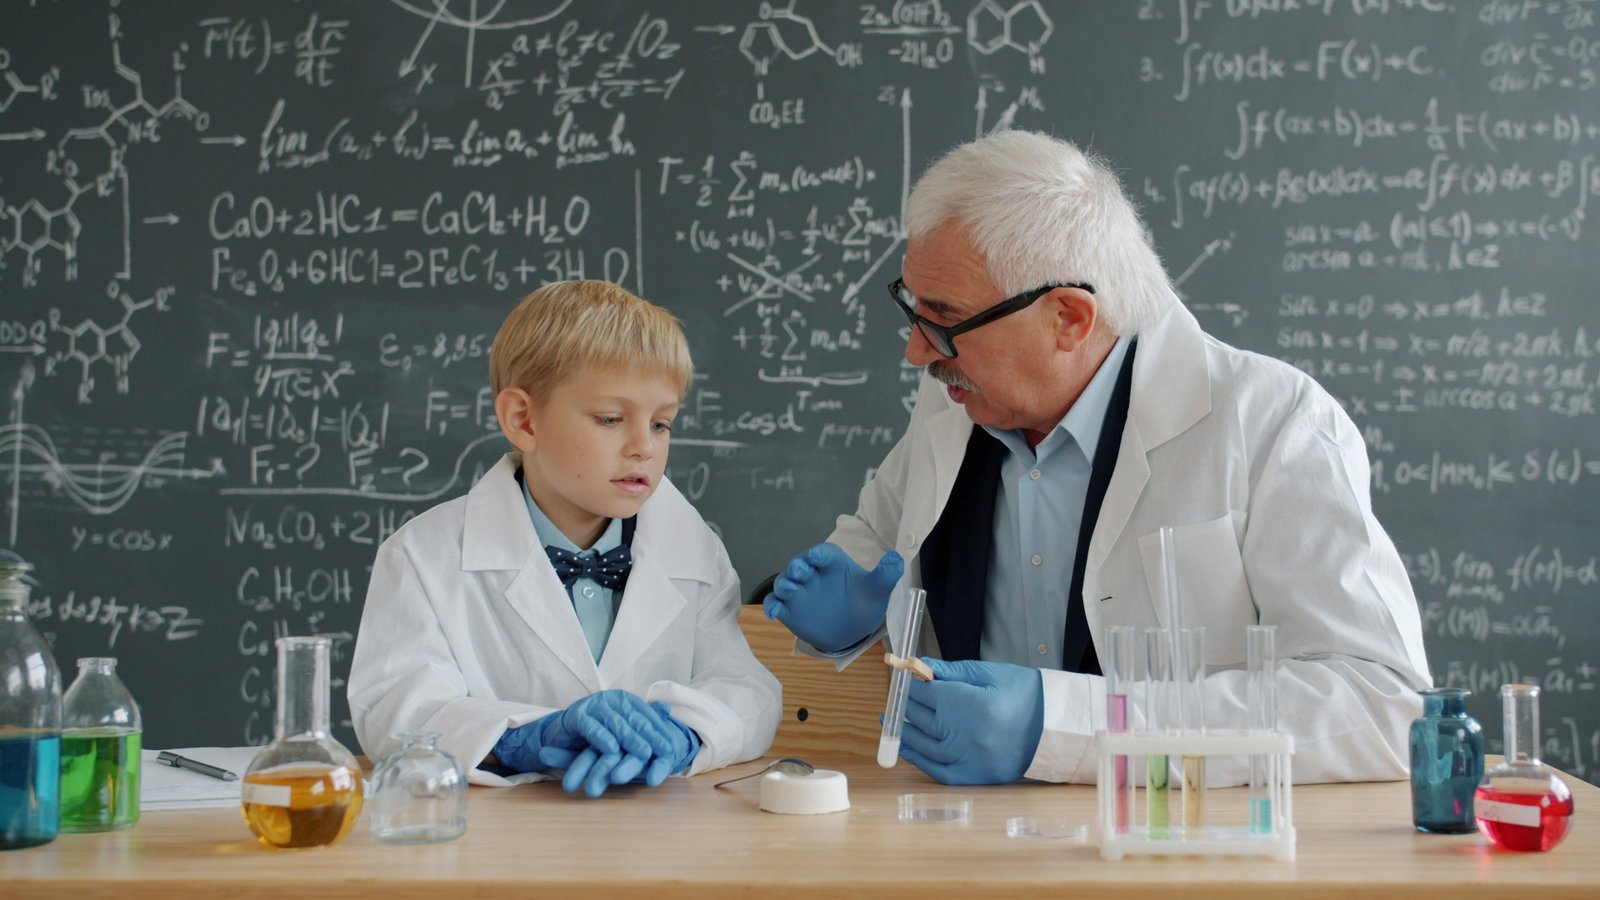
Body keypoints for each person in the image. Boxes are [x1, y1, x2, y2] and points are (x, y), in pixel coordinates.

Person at [764, 130, 1430, 786]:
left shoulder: (1272, 423)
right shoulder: (955, 402)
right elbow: (875, 549)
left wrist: (1061, 727)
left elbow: (1379, 704)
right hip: (965, 847)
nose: (916, 350)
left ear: (1070, 318)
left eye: (944, 319)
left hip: (1177, 857)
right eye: (913, 308)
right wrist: (844, 619)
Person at [350, 280, 780, 796]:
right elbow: (394, 710)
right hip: (492, 849)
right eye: (610, 419)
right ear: (523, 420)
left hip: (663, 844)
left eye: (662, 424)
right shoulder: (423, 555)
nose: (644, 446)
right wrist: (527, 738)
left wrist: (683, 734)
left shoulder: (694, 552)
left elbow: (747, 692)